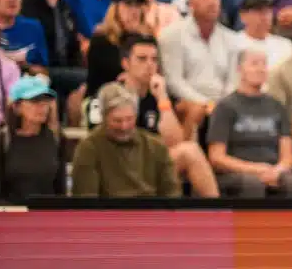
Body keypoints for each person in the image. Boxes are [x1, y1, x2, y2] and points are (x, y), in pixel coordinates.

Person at [87, 32, 220, 197]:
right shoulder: (107, 94)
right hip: (116, 165)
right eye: (142, 59)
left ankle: (216, 214)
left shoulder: (158, 95)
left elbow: (175, 142)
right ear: (125, 63)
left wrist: (163, 99)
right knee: (188, 152)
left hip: (150, 165)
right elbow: (95, 139)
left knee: (189, 151)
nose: (149, 65)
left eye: (154, 59)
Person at [206, 48, 292, 200]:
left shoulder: (277, 106)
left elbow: (288, 155)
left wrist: (278, 170)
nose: (260, 69)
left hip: (272, 170)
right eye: (254, 64)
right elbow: (216, 157)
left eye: (264, 64)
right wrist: (254, 169)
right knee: (253, 184)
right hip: (236, 173)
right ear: (239, 69)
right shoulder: (225, 107)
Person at [159, 0, 239, 136]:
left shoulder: (231, 38)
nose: (212, 2)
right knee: (196, 109)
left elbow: (232, 81)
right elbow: (174, 82)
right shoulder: (171, 35)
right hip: (186, 101)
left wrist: (221, 105)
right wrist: (206, 103)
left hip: (222, 102)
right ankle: (187, 152)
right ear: (191, 3)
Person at [71, 81, 177, 198]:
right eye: (117, 120)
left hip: (152, 213)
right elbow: (86, 202)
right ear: (103, 117)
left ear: (136, 116)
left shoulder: (157, 147)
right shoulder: (89, 148)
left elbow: (172, 198)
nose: (124, 126)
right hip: (107, 214)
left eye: (129, 119)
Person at [0, 73, 67, 206]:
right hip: (10, 217)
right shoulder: (0, 141)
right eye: (35, 101)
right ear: (17, 107)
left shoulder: (57, 138)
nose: (42, 107)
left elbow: (60, 192)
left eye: (46, 101)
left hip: (47, 217)